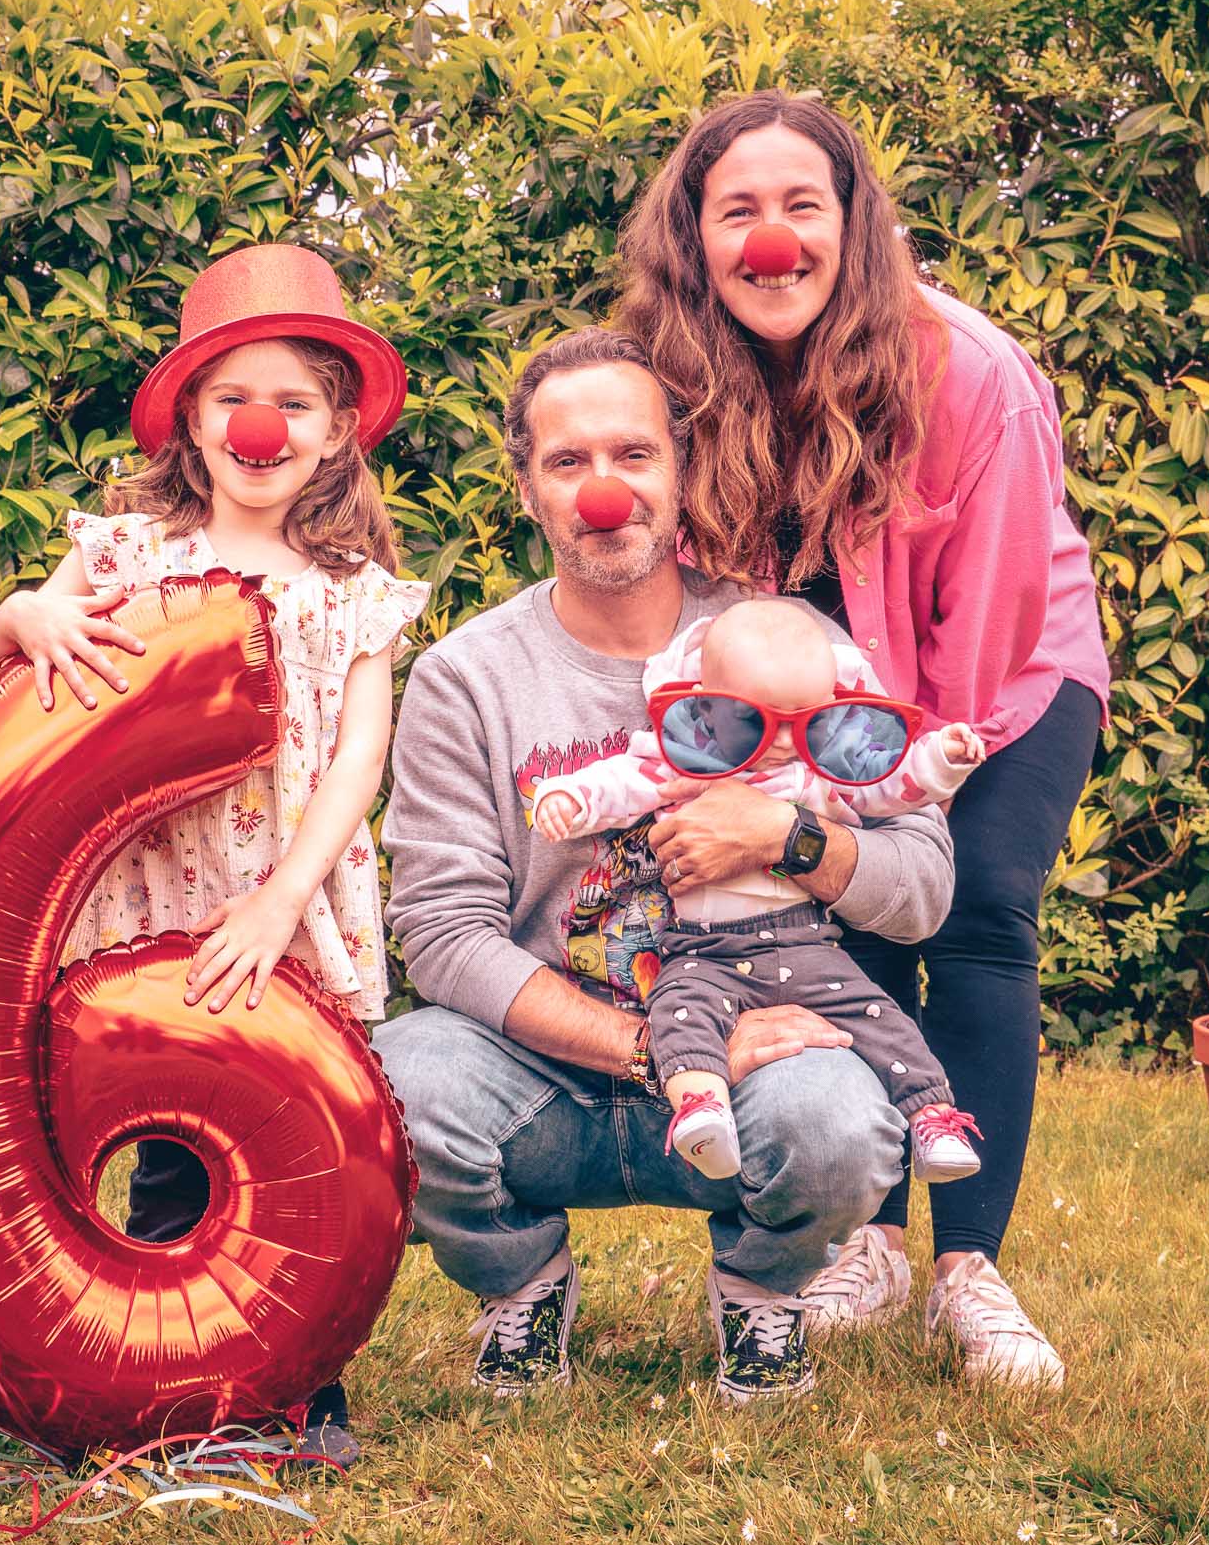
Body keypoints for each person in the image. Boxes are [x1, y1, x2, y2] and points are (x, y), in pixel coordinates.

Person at [615, 90, 1112, 1387]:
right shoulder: (674, 377)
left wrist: (892, 791)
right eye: (740, 211)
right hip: (806, 699)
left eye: (801, 206)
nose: (771, 239)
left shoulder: (969, 372)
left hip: (998, 675)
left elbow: (990, 619)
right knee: (842, 921)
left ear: (851, 225)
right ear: (697, 236)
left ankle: (973, 1268)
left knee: (978, 910)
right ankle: (874, 1240)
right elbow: (682, 589)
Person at [374, 329, 956, 1407]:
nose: (605, 489)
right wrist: (657, 1047)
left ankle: (761, 1293)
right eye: (568, 461)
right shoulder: (466, 677)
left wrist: (785, 839)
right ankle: (519, 1285)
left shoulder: (781, 641)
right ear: (527, 489)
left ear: (681, 468)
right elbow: (443, 935)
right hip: (549, 1068)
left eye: (633, 454)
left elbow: (921, 890)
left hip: (757, 1046)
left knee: (841, 1123)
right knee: (392, 1085)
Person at [0, 243, 428, 1467]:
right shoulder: (121, 555)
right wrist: (22, 616)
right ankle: (149, 1369)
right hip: (136, 899)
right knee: (159, 1134)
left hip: (278, 902)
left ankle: (304, 1385)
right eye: (232, 396)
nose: (260, 423)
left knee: (296, 1139)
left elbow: (353, 767)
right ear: (190, 421)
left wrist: (282, 900)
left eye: (295, 401)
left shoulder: (350, 593)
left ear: (333, 434)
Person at [527, 596, 987, 1183]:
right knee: (679, 1013)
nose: (782, 743)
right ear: (705, 701)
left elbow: (891, 787)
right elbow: (622, 779)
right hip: (704, 949)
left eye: (806, 721)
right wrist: (570, 798)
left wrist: (942, 762)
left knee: (876, 1014)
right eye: (754, 720)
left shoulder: (821, 766)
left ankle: (934, 1116)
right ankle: (701, 1109)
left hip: (808, 945)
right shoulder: (689, 762)